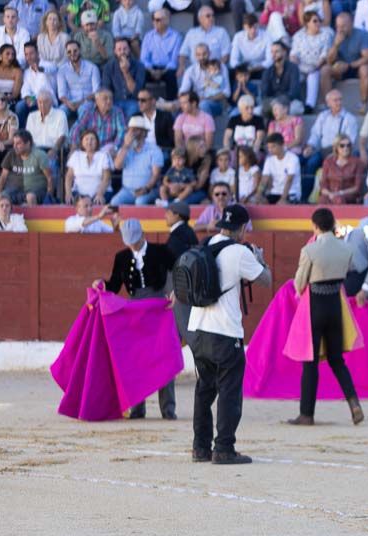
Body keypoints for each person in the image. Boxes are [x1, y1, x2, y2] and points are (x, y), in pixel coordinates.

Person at [188, 203, 272, 465]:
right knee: (229, 390)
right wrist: (259, 259)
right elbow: (266, 279)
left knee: (205, 388)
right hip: (224, 332)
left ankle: (200, 448)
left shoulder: (206, 243)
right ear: (243, 228)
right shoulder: (239, 252)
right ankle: (223, 448)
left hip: (197, 328)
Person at [95, 217, 178, 419]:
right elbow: (115, 285)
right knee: (135, 360)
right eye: (129, 241)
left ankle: (168, 410)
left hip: (159, 308)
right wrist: (102, 285)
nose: (132, 244)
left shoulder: (161, 251)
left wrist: (176, 290)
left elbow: (179, 271)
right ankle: (137, 408)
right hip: (135, 310)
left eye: (135, 240)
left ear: (142, 234)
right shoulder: (122, 257)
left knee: (163, 357)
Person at [289, 207, 364, 426]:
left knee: (310, 362)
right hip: (335, 305)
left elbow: (299, 283)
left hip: (315, 305)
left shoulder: (310, 250)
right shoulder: (345, 248)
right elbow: (354, 267)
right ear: (333, 224)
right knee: (337, 360)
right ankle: (354, 404)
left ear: (314, 226)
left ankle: (306, 414)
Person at [110, 115, 163, 205]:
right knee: (114, 203)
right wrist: (126, 146)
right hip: (127, 190)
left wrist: (146, 189)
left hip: (148, 190)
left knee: (140, 202)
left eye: (135, 130)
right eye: (130, 130)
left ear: (144, 132)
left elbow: (155, 175)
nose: (131, 133)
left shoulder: (154, 150)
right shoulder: (125, 148)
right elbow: (117, 166)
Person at [0, 129, 51, 204]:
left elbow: (49, 177)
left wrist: (49, 196)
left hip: (36, 191)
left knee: (30, 197)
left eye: (18, 143)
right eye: (14, 143)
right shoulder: (11, 154)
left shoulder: (39, 155)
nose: (15, 146)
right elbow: (3, 177)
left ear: (28, 143)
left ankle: (34, 215)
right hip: (14, 191)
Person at [320, 133, 366, 204]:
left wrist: (340, 193)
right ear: (336, 147)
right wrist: (330, 194)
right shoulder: (328, 162)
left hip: (348, 195)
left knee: (339, 200)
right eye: (342, 146)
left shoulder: (357, 163)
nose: (346, 148)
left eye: (348, 145)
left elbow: (357, 187)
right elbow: (323, 185)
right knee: (322, 200)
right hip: (330, 194)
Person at [259, 130, 301, 203]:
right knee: (259, 202)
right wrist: (258, 194)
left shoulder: (293, 158)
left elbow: (289, 180)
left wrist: (283, 198)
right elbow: (264, 179)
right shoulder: (269, 160)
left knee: (282, 205)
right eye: (268, 147)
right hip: (274, 192)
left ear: (282, 145)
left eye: (273, 147)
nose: (270, 150)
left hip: (291, 193)